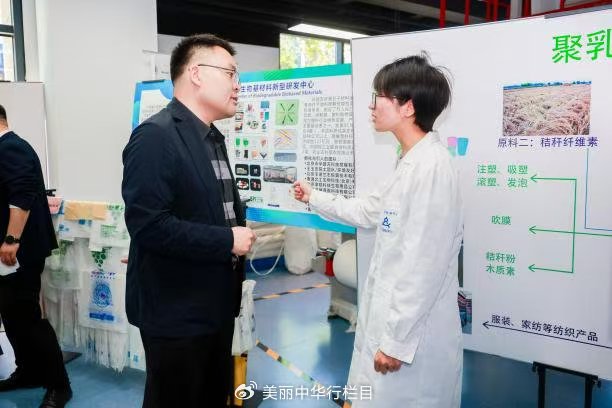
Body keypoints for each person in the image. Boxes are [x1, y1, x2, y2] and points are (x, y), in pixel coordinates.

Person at [294, 54, 463, 407]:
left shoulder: (431, 168)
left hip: (414, 342)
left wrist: (396, 342)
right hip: (391, 326)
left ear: (408, 107)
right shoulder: (409, 162)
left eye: (379, 97)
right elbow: (368, 210)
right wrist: (314, 197)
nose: (372, 106)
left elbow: (423, 266)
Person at [122, 34, 256, 407]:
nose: (237, 85)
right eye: (230, 73)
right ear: (196, 74)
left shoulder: (212, 138)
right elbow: (149, 226)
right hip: (177, 314)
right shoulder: (155, 137)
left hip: (215, 307)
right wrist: (228, 241)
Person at [0, 104, 72, 407]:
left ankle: (59, 385)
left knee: (28, 317)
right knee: (11, 315)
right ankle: (28, 371)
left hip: (19, 251)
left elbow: (21, 198)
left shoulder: (11, 148)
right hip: (9, 254)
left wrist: (11, 239)